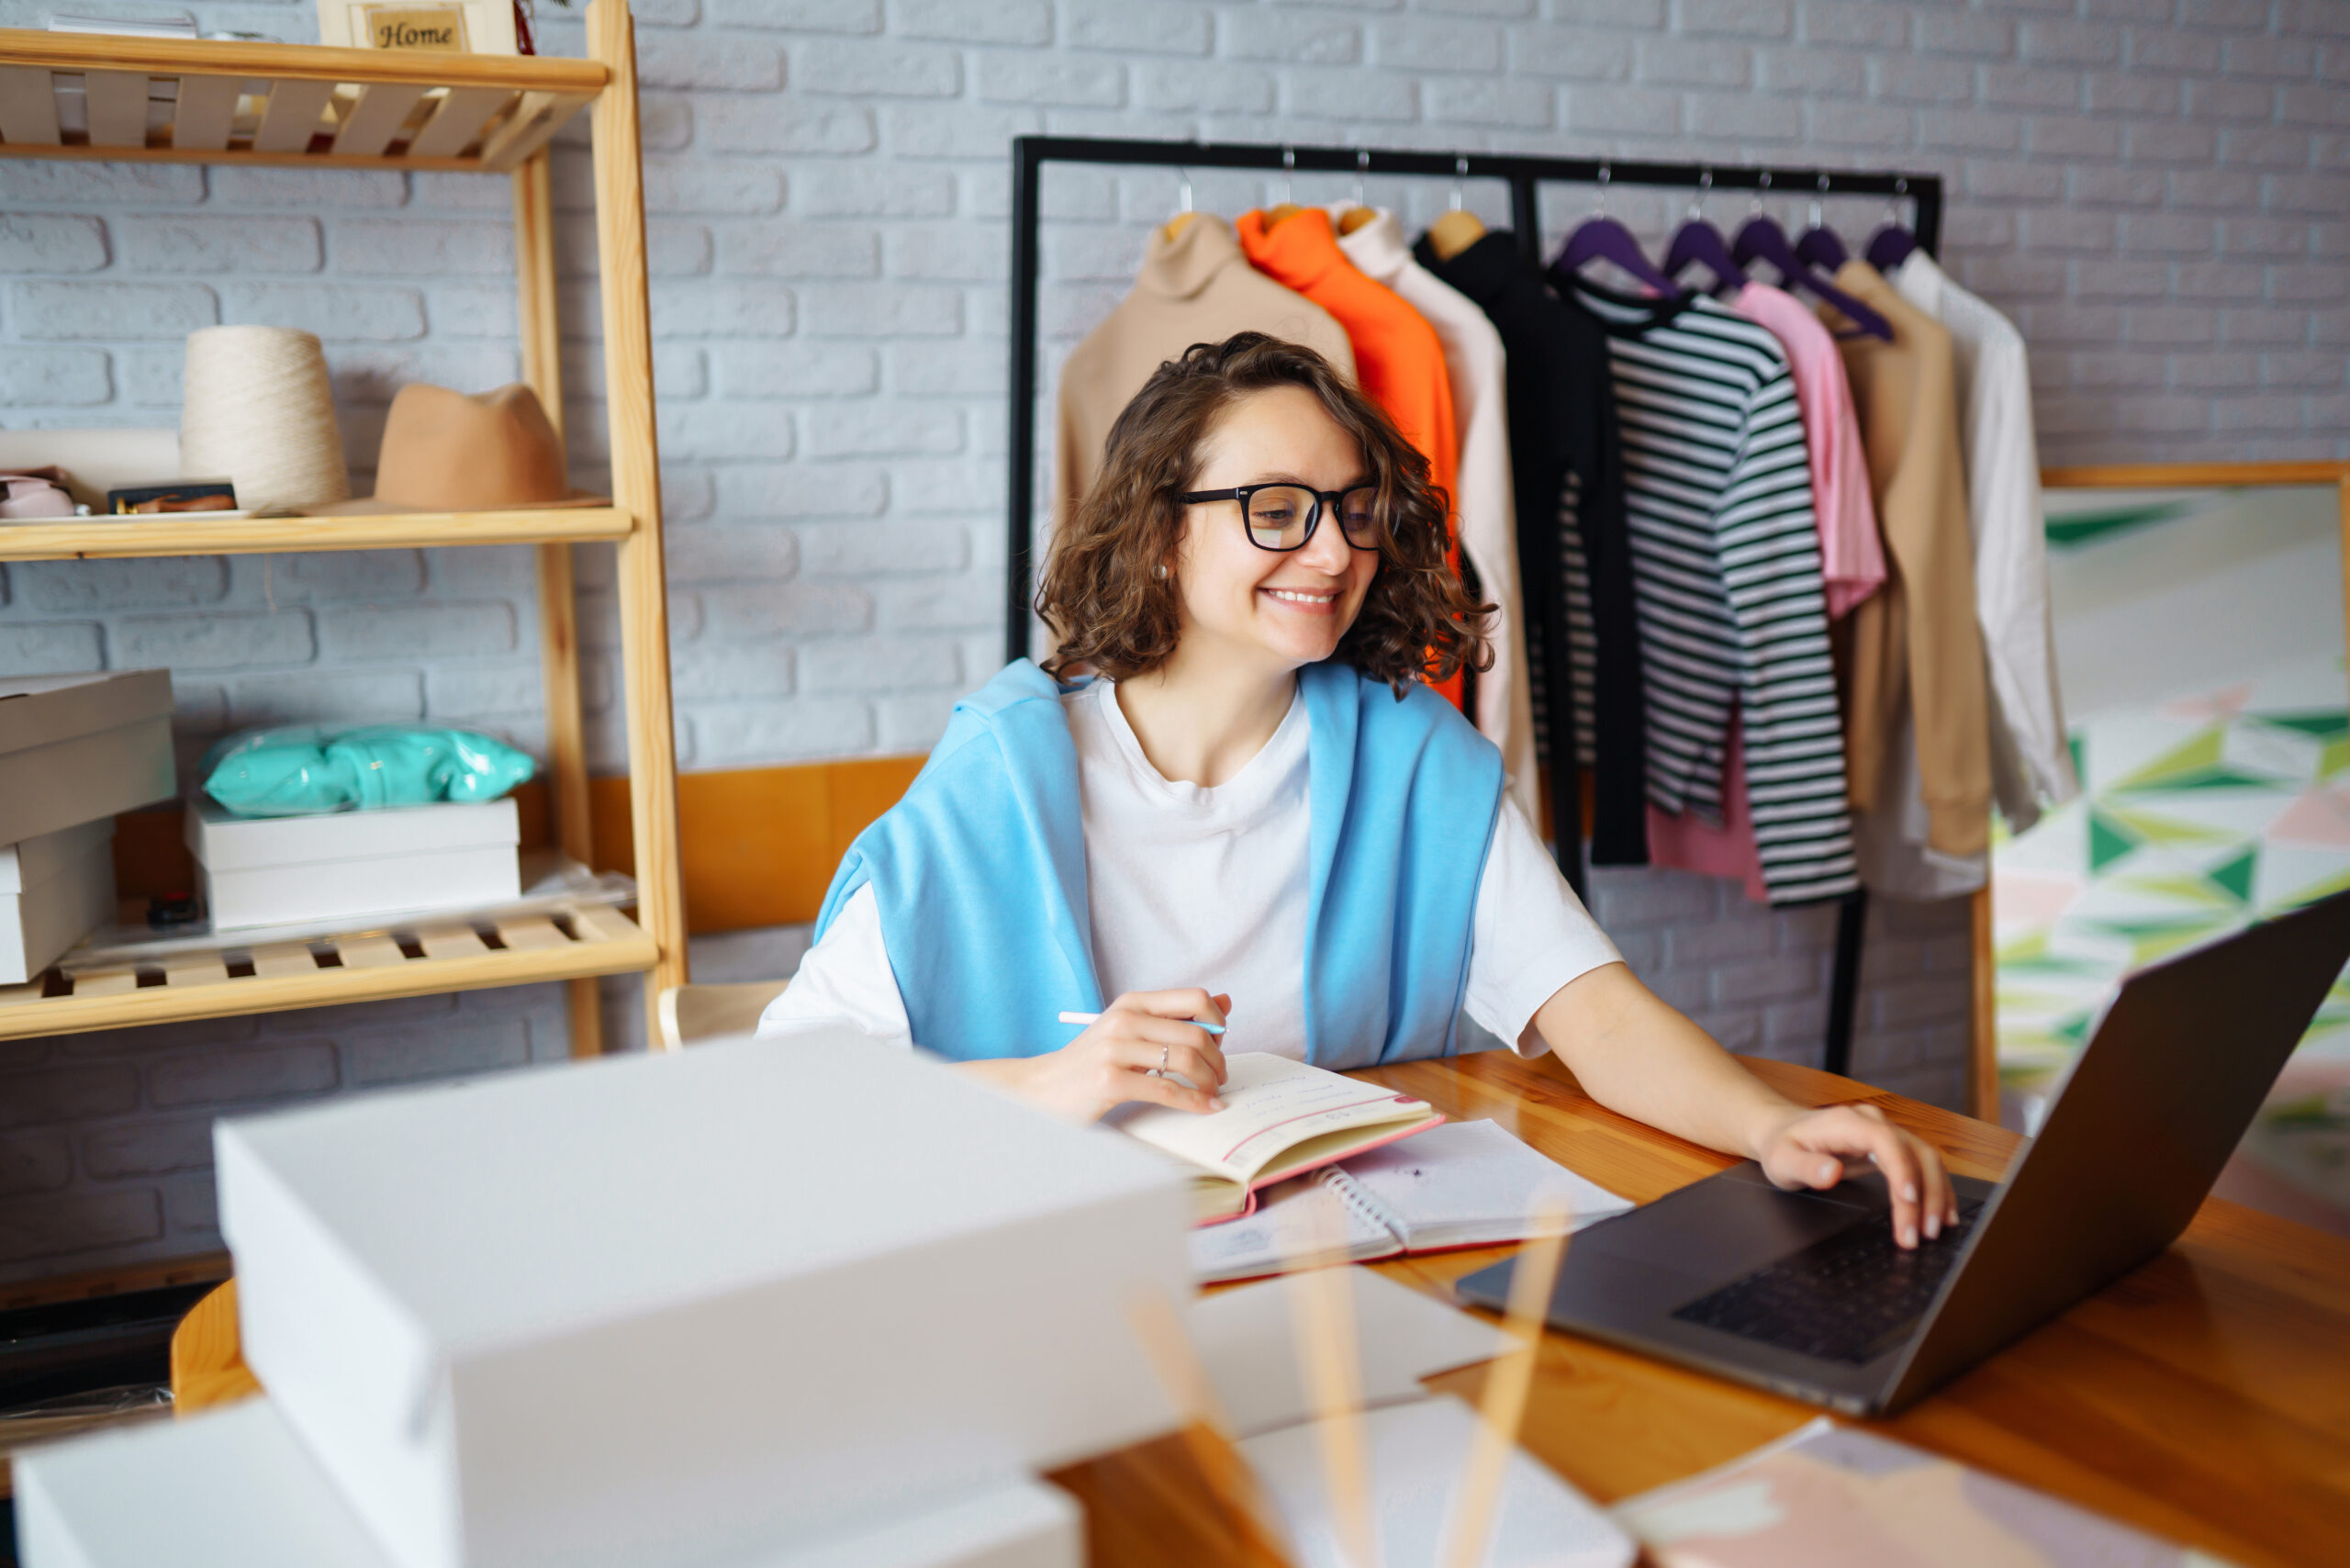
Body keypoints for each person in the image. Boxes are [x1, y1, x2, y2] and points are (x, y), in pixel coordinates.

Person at [759, 332, 1959, 1249]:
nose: (1333, 553)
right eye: (1276, 511)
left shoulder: (1409, 755)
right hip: (1064, 1278)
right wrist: (1054, 1083)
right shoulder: (1002, 780)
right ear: (1159, 531)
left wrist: (1770, 1127)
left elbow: (1591, 1011)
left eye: (1356, 512)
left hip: (1345, 1266)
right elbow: (787, 1101)